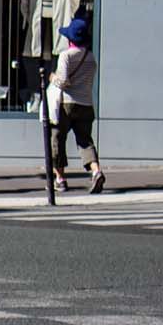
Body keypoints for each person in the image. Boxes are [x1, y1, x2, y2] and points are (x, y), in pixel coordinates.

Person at [48, 17, 104, 195]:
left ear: (70, 38)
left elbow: (63, 81)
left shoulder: (66, 56)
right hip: (86, 104)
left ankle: (60, 179)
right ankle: (96, 171)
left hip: (66, 104)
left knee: (57, 139)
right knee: (85, 140)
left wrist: (52, 77)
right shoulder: (91, 57)